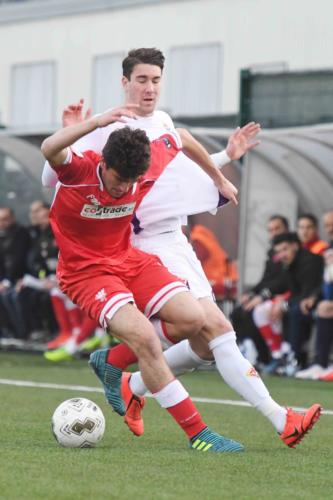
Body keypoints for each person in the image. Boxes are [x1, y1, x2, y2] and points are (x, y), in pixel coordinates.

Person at [42, 48, 321, 449]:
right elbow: (51, 161)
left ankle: (126, 374)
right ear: (125, 83)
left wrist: (222, 169)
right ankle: (219, 429)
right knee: (197, 335)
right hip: (101, 264)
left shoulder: (152, 144)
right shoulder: (96, 145)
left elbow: (181, 147)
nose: (149, 88)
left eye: (156, 80)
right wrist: (85, 124)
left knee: (199, 330)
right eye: (141, 80)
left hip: (143, 251)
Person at [41, 104, 247, 453]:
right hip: (87, 273)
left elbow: (180, 138)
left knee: (193, 319)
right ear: (104, 164)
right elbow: (49, 148)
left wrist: (219, 176)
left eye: (133, 181)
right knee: (147, 342)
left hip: (129, 259)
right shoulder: (80, 169)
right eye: (120, 179)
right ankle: (199, 434)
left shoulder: (146, 161)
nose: (125, 189)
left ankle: (111, 361)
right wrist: (94, 122)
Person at [232, 215, 289, 365]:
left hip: (281, 297)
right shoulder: (272, 252)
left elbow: (284, 281)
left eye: (278, 228)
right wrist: (251, 293)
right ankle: (246, 348)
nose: (274, 233)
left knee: (251, 312)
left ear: (286, 229)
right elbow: (265, 279)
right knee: (237, 311)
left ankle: (264, 357)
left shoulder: (289, 251)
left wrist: (262, 296)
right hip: (268, 295)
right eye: (271, 230)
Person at [296, 209, 333, 380]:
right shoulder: (329, 248)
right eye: (327, 225)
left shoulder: (321, 249)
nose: (330, 228)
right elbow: (326, 282)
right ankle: (318, 362)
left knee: (323, 307)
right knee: (318, 307)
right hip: (325, 298)